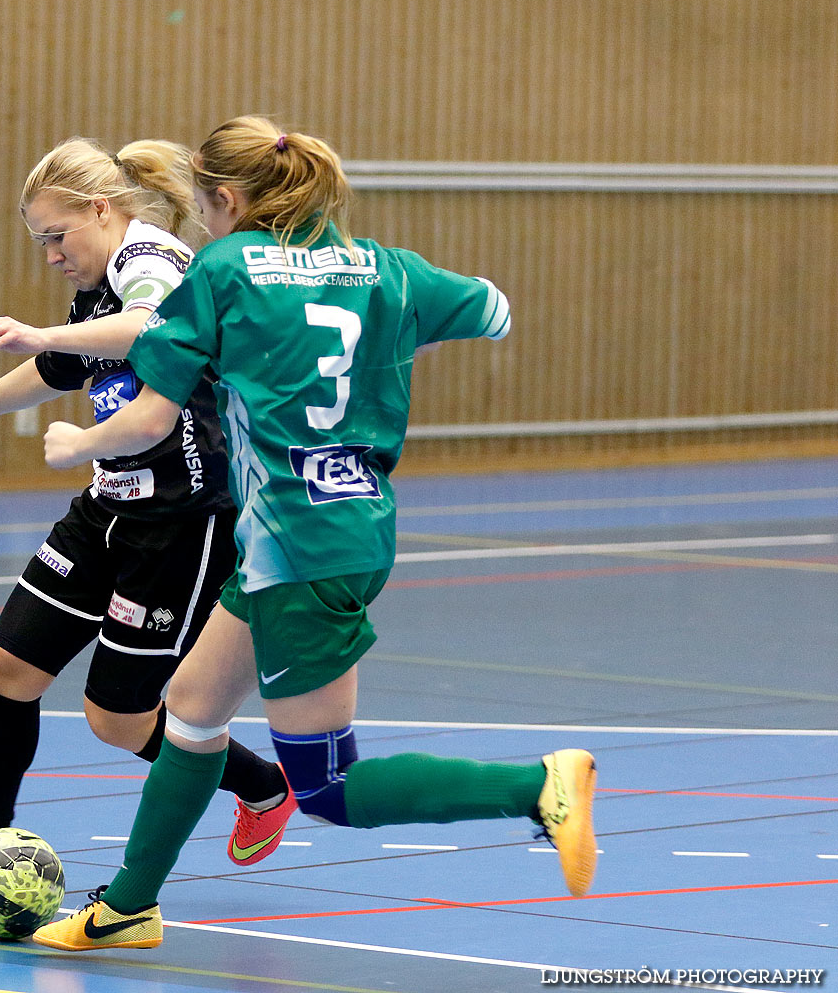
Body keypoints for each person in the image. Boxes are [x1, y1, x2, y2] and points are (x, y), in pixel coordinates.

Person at [30, 116, 598, 952]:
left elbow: (153, 409)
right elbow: (495, 310)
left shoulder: (224, 268)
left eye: (204, 211)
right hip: (326, 530)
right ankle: (127, 908)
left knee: (328, 785)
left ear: (226, 201)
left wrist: (78, 441)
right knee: (190, 709)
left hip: (300, 550)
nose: (204, 229)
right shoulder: (388, 270)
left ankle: (537, 785)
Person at [0, 137, 295, 900]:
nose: (49, 256)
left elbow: (145, 328)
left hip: (184, 520)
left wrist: (43, 331)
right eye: (39, 242)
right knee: (7, 668)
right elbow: (58, 369)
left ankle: (265, 786)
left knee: (117, 717)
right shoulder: (96, 286)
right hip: (109, 504)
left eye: (55, 236)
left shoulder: (158, 262)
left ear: (101, 210)